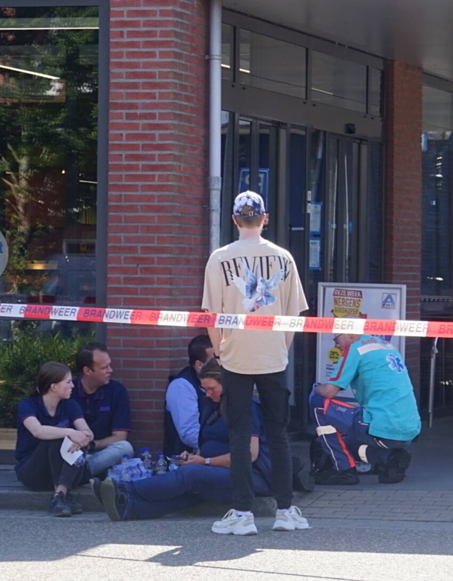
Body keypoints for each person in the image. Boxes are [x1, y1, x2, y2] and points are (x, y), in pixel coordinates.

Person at [202, 190, 310, 534]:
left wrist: (219, 350)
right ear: (265, 218)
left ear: (234, 220)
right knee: (278, 435)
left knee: (239, 435)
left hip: (235, 357)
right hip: (273, 357)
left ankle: (243, 513)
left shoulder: (219, 258)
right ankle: (286, 511)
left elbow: (211, 314)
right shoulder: (284, 258)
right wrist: (281, 348)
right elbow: (293, 316)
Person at [96, 359, 312, 527]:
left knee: (190, 475)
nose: (208, 395)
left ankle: (125, 491)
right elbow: (208, 440)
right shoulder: (216, 406)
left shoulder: (248, 409)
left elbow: (250, 454)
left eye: (212, 389)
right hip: (220, 470)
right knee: (189, 490)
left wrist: (204, 461)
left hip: (252, 477)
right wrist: (194, 455)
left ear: (227, 385)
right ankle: (129, 508)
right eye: (204, 390)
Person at [309, 333, 420, 485]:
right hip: (408, 430)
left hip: (381, 425)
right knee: (347, 443)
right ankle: (388, 458)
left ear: (349, 334)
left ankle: (343, 470)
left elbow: (329, 391)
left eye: (336, 339)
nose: (336, 345)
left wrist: (315, 387)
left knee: (318, 402)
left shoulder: (356, 349)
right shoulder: (387, 346)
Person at [14, 361, 94, 517]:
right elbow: (37, 431)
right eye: (68, 382)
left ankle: (60, 495)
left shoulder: (70, 405)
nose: (73, 386)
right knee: (61, 434)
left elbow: (87, 431)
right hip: (35, 472)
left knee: (77, 436)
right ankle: (63, 495)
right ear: (53, 386)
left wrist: (84, 436)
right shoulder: (27, 405)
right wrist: (70, 432)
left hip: (67, 472)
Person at [71, 342, 133, 478]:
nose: (110, 370)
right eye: (104, 367)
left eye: (109, 365)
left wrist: (92, 445)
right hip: (72, 451)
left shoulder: (117, 391)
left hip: (102, 453)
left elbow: (120, 437)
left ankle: (79, 472)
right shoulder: (69, 391)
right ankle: (82, 472)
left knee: (125, 447)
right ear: (87, 371)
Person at [164, 334, 216, 455]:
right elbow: (189, 433)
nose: (220, 363)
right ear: (199, 364)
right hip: (186, 460)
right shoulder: (181, 386)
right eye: (215, 359)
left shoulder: (219, 381)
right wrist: (219, 445)